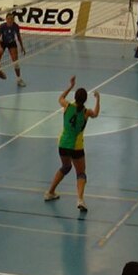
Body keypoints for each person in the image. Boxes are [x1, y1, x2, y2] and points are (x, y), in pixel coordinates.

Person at [44, 76, 100, 212]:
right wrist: (98, 99)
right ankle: (80, 199)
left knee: (66, 166)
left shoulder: (67, 106)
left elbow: (60, 98)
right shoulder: (86, 112)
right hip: (76, 146)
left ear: (75, 97)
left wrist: (70, 86)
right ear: (85, 99)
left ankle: (50, 192)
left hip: (63, 143)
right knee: (81, 173)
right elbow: (96, 113)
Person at [0, 11, 26, 87]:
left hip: (11, 43)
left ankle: (19, 79)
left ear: (13, 19)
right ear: (6, 19)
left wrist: (22, 47)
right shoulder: (2, 26)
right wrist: (0, 47)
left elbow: (18, 37)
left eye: (11, 19)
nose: (10, 20)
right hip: (2, 43)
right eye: (8, 19)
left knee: (16, 63)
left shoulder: (16, 26)